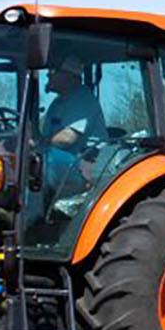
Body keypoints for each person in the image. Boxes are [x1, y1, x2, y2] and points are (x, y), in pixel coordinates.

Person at [39, 53, 106, 212]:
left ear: (69, 76)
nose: (48, 75)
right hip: (67, 162)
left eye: (53, 72)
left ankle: (36, 213)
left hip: (87, 165)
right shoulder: (57, 104)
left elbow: (68, 138)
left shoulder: (82, 99)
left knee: (44, 161)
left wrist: (39, 144)